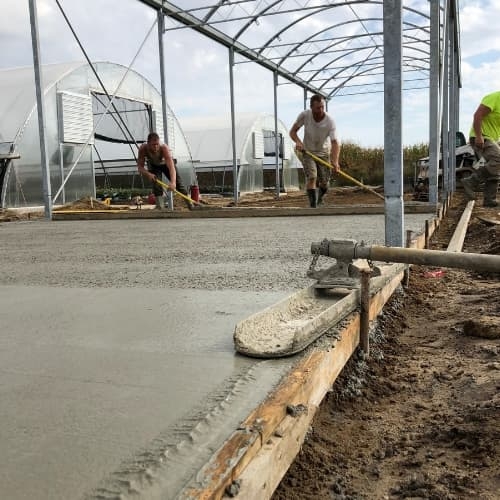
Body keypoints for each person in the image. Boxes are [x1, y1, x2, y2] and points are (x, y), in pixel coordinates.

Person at [289, 94, 341, 207]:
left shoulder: (330, 121)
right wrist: (298, 142)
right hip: (308, 152)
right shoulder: (305, 115)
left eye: (322, 107)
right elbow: (292, 132)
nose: (321, 110)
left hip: (324, 153)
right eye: (318, 108)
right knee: (312, 177)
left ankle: (320, 199)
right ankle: (313, 206)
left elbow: (335, 143)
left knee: (324, 183)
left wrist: (335, 161)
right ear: (311, 107)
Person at [462, 92, 500, 207]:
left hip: (492, 139)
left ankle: (489, 200)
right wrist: (479, 136)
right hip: (481, 137)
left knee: (494, 171)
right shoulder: (495, 97)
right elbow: (477, 116)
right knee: (498, 158)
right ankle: (471, 181)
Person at [137, 132, 193, 210]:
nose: (156, 147)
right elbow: (140, 167)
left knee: (178, 184)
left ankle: (190, 204)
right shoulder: (143, 149)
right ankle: (160, 207)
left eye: (157, 144)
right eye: (153, 145)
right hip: (154, 165)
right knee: (156, 184)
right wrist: (148, 174)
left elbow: (171, 167)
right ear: (148, 143)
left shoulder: (164, 148)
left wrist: (173, 182)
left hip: (166, 165)